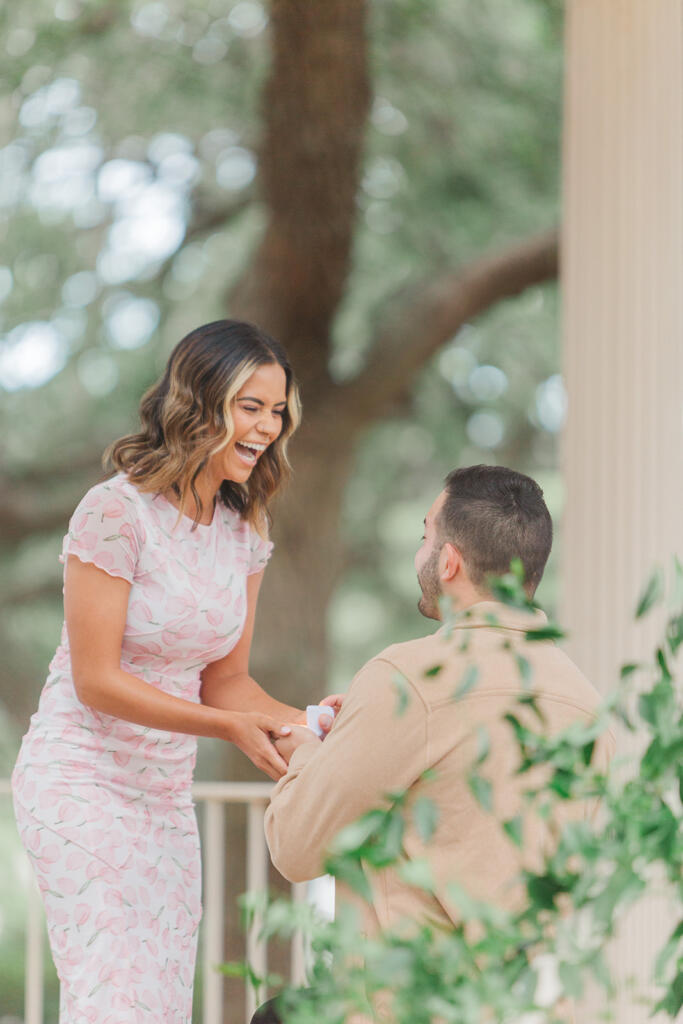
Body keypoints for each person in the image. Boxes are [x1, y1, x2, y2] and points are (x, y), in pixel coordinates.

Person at [11, 319, 337, 1024]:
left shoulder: (244, 530)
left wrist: (307, 722)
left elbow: (227, 683)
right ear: (201, 404)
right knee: (112, 999)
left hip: (163, 800)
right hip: (79, 782)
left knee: (158, 1004)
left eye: (277, 410)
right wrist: (226, 726)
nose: (267, 426)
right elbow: (96, 680)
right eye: (250, 406)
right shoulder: (114, 513)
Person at [256, 465, 614, 1024]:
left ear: (448, 561)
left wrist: (308, 751)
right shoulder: (587, 703)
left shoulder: (408, 676)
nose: (421, 551)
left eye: (425, 535)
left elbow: (296, 846)